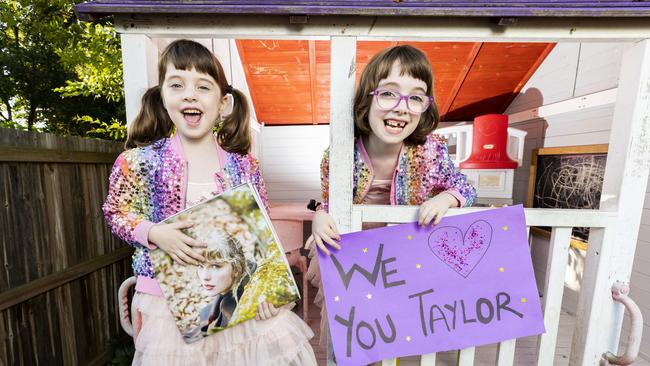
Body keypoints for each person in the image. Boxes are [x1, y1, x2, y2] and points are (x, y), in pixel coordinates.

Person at [103, 39, 316, 366]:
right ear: (163, 95)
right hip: (169, 310)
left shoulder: (245, 166)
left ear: (224, 103)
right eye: (177, 85)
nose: (189, 94)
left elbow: (259, 236)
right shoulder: (139, 162)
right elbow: (116, 213)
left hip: (235, 304)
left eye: (203, 86)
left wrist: (269, 293)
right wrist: (155, 233)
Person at [305, 44, 477, 342]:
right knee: (353, 331)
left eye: (416, 97)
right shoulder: (341, 154)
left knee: (389, 331)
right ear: (367, 98)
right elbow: (329, 202)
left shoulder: (430, 151)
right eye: (388, 93)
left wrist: (446, 198)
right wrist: (320, 216)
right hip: (353, 258)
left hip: (400, 260)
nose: (401, 106)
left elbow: (465, 187)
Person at [196, 230, 254, 334]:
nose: (205, 277)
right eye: (200, 266)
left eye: (215, 266)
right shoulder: (230, 288)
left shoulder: (238, 307)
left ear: (237, 269)